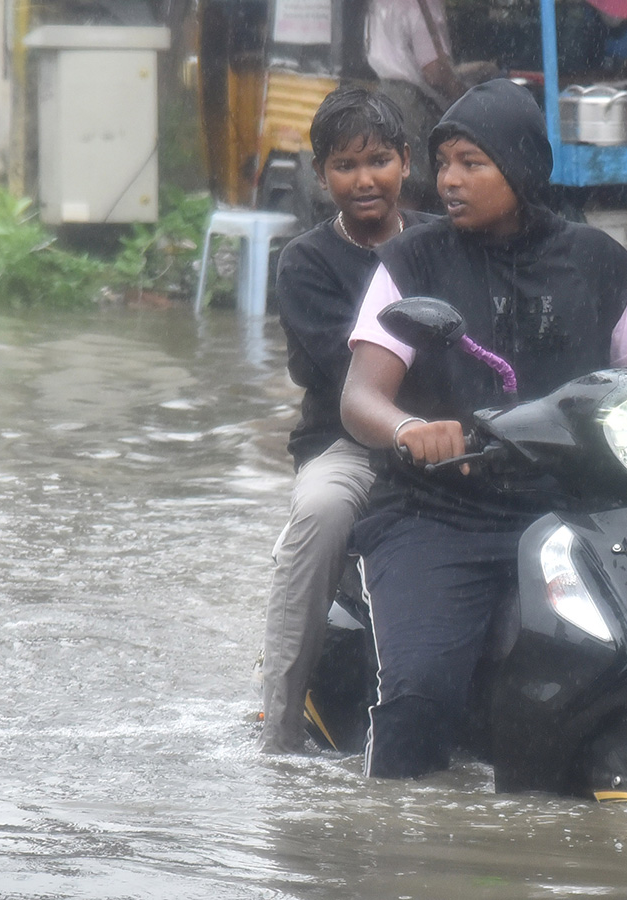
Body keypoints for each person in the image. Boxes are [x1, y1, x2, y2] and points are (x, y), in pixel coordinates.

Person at [339, 79, 627, 778]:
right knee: (421, 695)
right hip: (444, 515)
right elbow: (362, 396)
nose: (448, 180)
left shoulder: (595, 262)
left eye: (471, 164)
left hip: (580, 512)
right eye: (443, 162)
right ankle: (401, 841)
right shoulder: (413, 262)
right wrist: (412, 427)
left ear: (520, 167)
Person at [259, 86, 436, 755]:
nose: (364, 180)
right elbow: (341, 374)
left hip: (453, 437)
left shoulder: (440, 242)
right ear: (321, 176)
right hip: (348, 444)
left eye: (378, 161)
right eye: (345, 165)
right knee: (322, 514)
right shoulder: (306, 261)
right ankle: (276, 729)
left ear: (406, 163)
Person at [365, 0, 496, 211]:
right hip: (411, 106)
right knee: (411, 194)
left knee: (393, 189)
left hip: (385, 97)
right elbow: (433, 72)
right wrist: (465, 99)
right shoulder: (423, 5)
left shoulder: (382, 3)